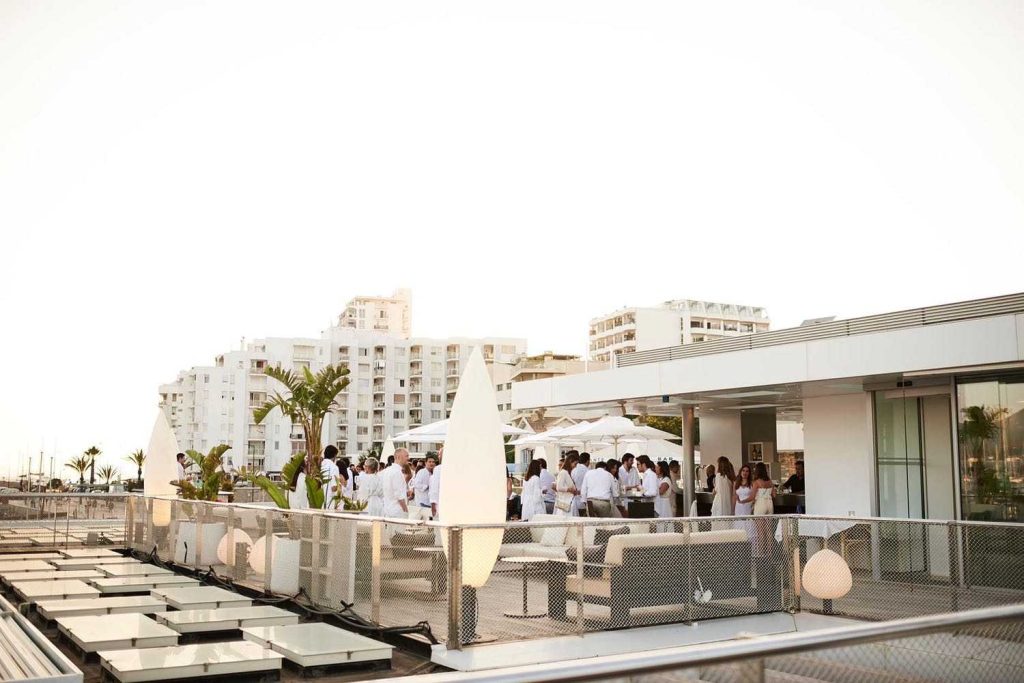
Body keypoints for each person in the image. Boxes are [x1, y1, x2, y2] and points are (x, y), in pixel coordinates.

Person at [752, 463, 775, 556]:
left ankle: (761, 554)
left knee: (760, 531)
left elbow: (753, 497)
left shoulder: (757, 482)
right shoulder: (770, 482)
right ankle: (770, 554)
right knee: (769, 531)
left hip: (761, 504)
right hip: (769, 503)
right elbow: (774, 495)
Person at [381, 447, 410, 517]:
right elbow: (399, 495)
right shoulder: (397, 472)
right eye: (406, 456)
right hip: (397, 512)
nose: (408, 458)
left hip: (387, 509)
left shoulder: (387, 470)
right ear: (398, 457)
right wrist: (406, 511)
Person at [553, 452, 580, 516]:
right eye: (575, 464)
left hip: (568, 501)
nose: (575, 466)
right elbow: (559, 487)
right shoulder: (563, 472)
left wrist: (575, 491)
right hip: (565, 503)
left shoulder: (567, 473)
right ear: (570, 462)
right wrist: (569, 489)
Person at [409, 455, 435, 521]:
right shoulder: (422, 472)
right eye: (429, 462)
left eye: (433, 462)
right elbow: (416, 484)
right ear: (426, 463)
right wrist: (427, 486)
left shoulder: (432, 473)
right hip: (423, 503)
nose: (431, 463)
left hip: (428, 503)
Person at [734, 464, 755, 539]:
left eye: (747, 471)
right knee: (739, 524)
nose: (745, 473)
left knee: (748, 525)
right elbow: (734, 495)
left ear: (749, 473)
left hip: (748, 507)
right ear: (740, 472)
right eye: (743, 471)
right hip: (738, 507)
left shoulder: (752, 483)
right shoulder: (736, 483)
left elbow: (754, 497)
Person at [320, 446, 341, 510]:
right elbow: (334, 488)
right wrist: (339, 486)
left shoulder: (319, 465)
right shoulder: (334, 467)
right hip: (328, 502)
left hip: (317, 501)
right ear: (334, 455)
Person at [429, 447, 443, 520]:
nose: (438, 456)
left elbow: (434, 489)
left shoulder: (438, 469)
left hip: (441, 504)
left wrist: (433, 505)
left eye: (440, 454)